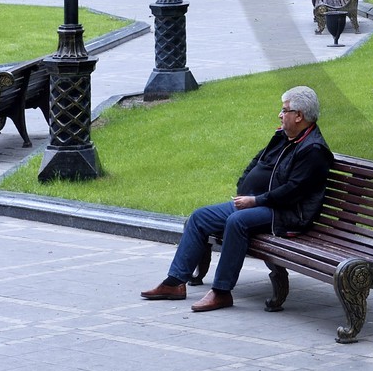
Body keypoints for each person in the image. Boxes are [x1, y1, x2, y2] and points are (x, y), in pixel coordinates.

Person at [140, 85, 334, 312]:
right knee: (199, 217)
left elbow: (292, 192)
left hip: (287, 213)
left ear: (299, 116)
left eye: (284, 111)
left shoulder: (313, 150)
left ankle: (221, 292)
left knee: (237, 222)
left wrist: (255, 201)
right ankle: (175, 283)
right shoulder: (284, 137)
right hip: (258, 203)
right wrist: (245, 184)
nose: (280, 115)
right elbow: (257, 162)